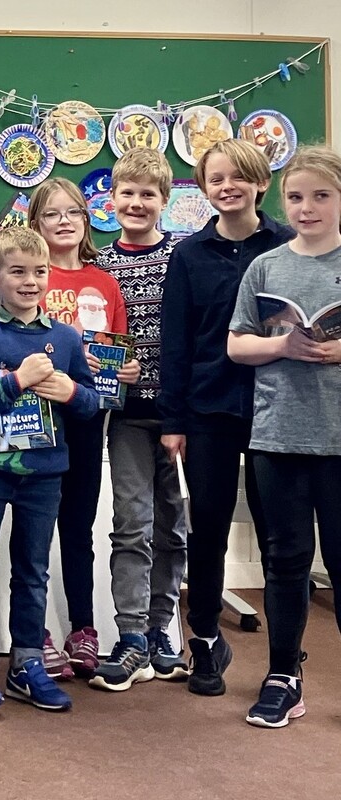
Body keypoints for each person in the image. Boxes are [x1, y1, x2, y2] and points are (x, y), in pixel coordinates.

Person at [0, 226, 98, 716]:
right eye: (18, 272)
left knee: (33, 570)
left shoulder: (65, 338)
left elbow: (91, 403)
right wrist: (15, 381)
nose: (31, 281)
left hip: (45, 473)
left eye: (40, 271)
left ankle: (27, 662)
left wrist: (69, 392)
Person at [159, 139, 293, 697]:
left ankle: (286, 659)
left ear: (261, 182)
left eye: (239, 177)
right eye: (216, 178)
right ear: (204, 186)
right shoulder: (188, 256)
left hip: (279, 411)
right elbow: (175, 346)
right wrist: (174, 420)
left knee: (278, 537)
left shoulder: (290, 245)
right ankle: (207, 641)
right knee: (208, 528)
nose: (227, 187)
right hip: (209, 409)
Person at [227, 144, 341, 728]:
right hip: (278, 438)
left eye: (321, 196)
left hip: (338, 440)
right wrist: (284, 345)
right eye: (296, 197)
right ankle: (282, 676)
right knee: (286, 560)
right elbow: (237, 343)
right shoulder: (266, 266)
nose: (307, 208)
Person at [29, 177, 136, 680]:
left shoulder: (104, 281)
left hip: (87, 418)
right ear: (36, 224)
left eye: (73, 211)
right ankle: (35, 632)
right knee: (32, 528)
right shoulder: (28, 276)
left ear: (87, 217)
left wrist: (124, 369)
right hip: (33, 419)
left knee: (77, 528)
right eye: (52, 214)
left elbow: (116, 353)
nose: (65, 220)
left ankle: (83, 629)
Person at [90, 148, 188, 691]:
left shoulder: (184, 255)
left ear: (165, 201)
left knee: (174, 527)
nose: (136, 202)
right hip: (128, 416)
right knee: (133, 523)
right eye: (127, 193)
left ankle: (161, 630)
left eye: (148, 194)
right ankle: (130, 638)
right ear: (111, 199)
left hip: (178, 413)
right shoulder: (102, 265)